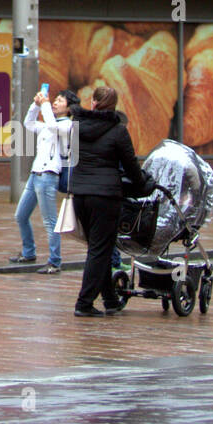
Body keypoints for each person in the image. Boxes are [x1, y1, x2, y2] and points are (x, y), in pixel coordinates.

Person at [70, 85, 147, 317]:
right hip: (105, 196)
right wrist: (143, 185)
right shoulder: (118, 130)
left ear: (93, 102)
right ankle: (84, 303)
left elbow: (72, 158)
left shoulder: (77, 127)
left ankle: (110, 299)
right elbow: (131, 165)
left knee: (97, 248)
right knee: (100, 249)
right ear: (114, 106)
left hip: (80, 195)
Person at [10, 88, 79, 274]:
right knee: (21, 215)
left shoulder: (68, 126)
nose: (55, 102)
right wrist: (36, 104)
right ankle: (29, 251)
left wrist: (46, 104)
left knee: (50, 221)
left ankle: (55, 261)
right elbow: (28, 123)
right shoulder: (50, 123)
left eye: (60, 101)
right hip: (35, 174)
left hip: (48, 175)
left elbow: (53, 127)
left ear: (70, 108)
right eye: (54, 100)